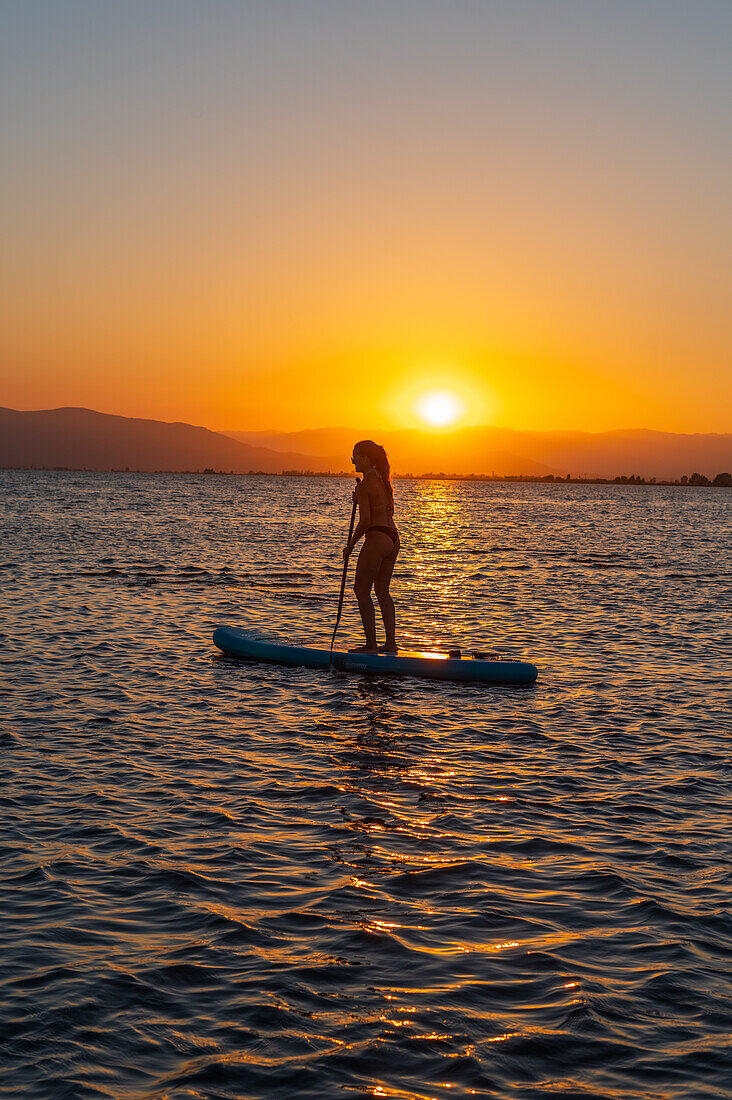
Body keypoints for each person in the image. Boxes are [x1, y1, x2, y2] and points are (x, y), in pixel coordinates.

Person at [342, 440, 400, 653]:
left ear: (367, 459)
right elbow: (388, 512)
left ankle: (371, 645)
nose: (353, 460)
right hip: (393, 539)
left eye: (356, 455)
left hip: (377, 538)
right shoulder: (383, 480)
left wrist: (350, 546)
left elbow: (365, 521)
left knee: (361, 590)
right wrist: (360, 499)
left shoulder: (366, 484)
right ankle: (391, 644)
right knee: (382, 591)